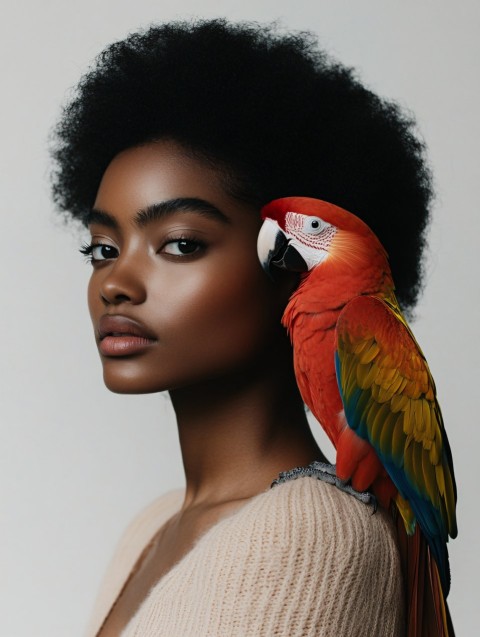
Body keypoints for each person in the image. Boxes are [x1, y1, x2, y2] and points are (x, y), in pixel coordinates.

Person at [51, 19, 432, 636]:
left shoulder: (308, 535)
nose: (115, 282)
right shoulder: (151, 527)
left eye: (178, 243)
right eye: (101, 249)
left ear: (293, 270)